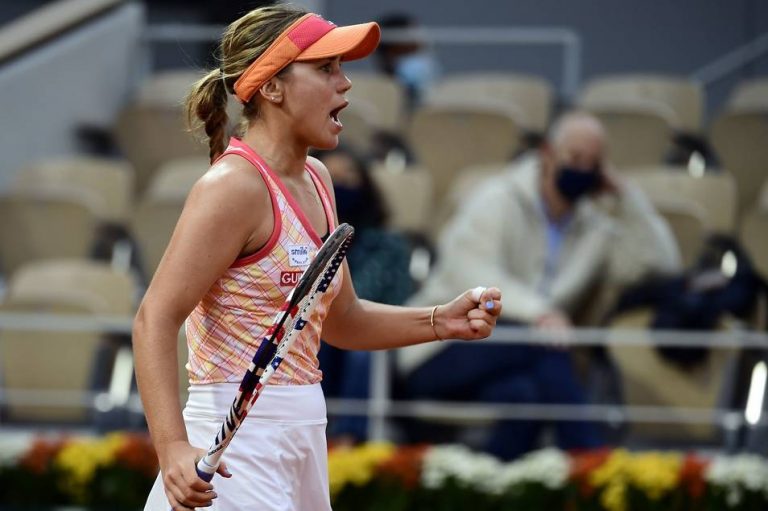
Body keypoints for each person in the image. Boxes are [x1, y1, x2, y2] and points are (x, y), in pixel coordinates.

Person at [132, 6, 502, 511]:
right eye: (326, 68)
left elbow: (342, 320)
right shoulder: (232, 186)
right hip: (232, 450)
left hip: (304, 437)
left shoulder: (319, 181)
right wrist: (172, 447)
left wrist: (440, 320)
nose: (346, 84)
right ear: (272, 86)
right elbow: (155, 317)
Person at [399, 111, 681, 460]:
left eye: (593, 163)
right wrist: (540, 313)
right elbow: (470, 271)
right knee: (544, 344)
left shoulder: (596, 227)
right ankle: (590, 462)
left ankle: (496, 489)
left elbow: (661, 265)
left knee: (526, 397)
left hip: (518, 361)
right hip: (442, 347)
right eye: (575, 158)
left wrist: (628, 198)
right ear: (548, 153)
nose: (583, 170)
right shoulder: (498, 198)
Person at [312, 145, 415, 443]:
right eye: (333, 180)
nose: (341, 188)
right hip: (319, 342)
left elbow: (358, 302)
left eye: (350, 178)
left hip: (378, 342)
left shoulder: (389, 245)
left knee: (363, 350)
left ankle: (348, 442)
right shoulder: (299, 241)